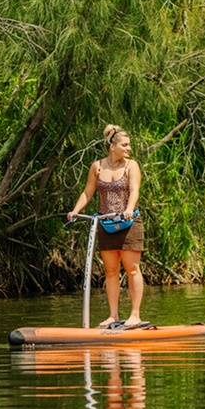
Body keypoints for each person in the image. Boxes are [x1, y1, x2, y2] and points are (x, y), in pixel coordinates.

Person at [68, 124, 145, 329]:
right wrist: (75, 211)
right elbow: (87, 193)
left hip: (128, 223)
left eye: (129, 145)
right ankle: (113, 315)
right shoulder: (97, 167)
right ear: (112, 147)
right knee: (111, 271)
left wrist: (129, 209)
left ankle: (135, 315)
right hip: (106, 224)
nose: (129, 148)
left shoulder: (131, 166)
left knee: (132, 269)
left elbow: (134, 191)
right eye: (125, 145)